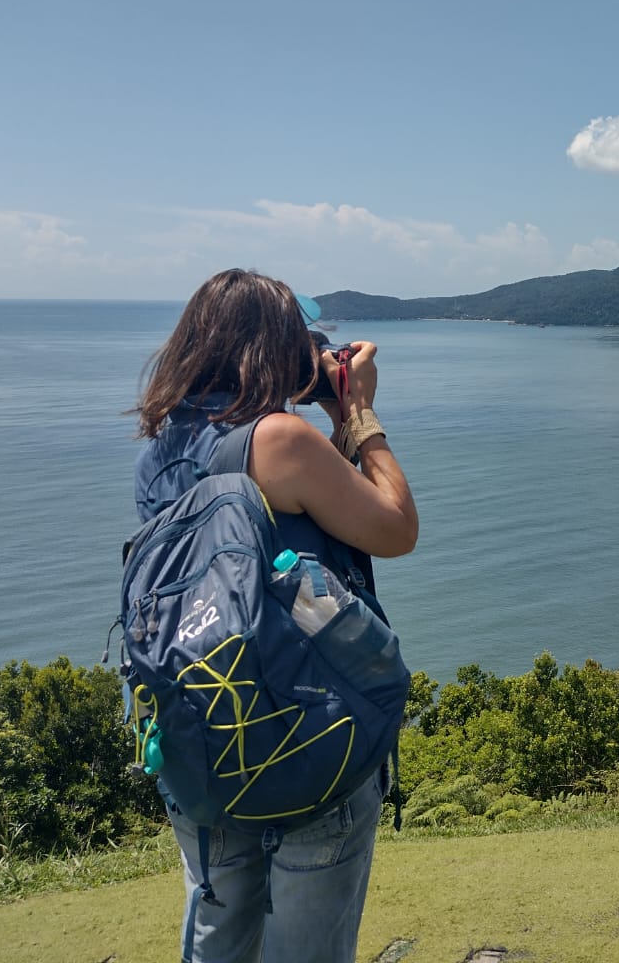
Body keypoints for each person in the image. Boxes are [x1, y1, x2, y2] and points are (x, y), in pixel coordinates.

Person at [133, 268, 418, 963]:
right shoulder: (282, 440)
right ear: (280, 347)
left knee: (218, 932)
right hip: (304, 734)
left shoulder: (162, 446)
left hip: (200, 726)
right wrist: (356, 414)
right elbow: (394, 529)